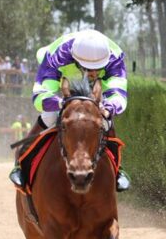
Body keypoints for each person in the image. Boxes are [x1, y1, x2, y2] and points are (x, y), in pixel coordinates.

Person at [9, 29, 131, 191]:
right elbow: (40, 96)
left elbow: (119, 94)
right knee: (50, 116)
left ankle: (117, 170)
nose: (93, 73)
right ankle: (21, 162)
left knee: (106, 122)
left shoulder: (115, 58)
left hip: (95, 89)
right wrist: (61, 104)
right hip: (63, 76)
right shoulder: (57, 56)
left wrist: (107, 109)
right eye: (88, 68)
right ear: (75, 59)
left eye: (98, 68)